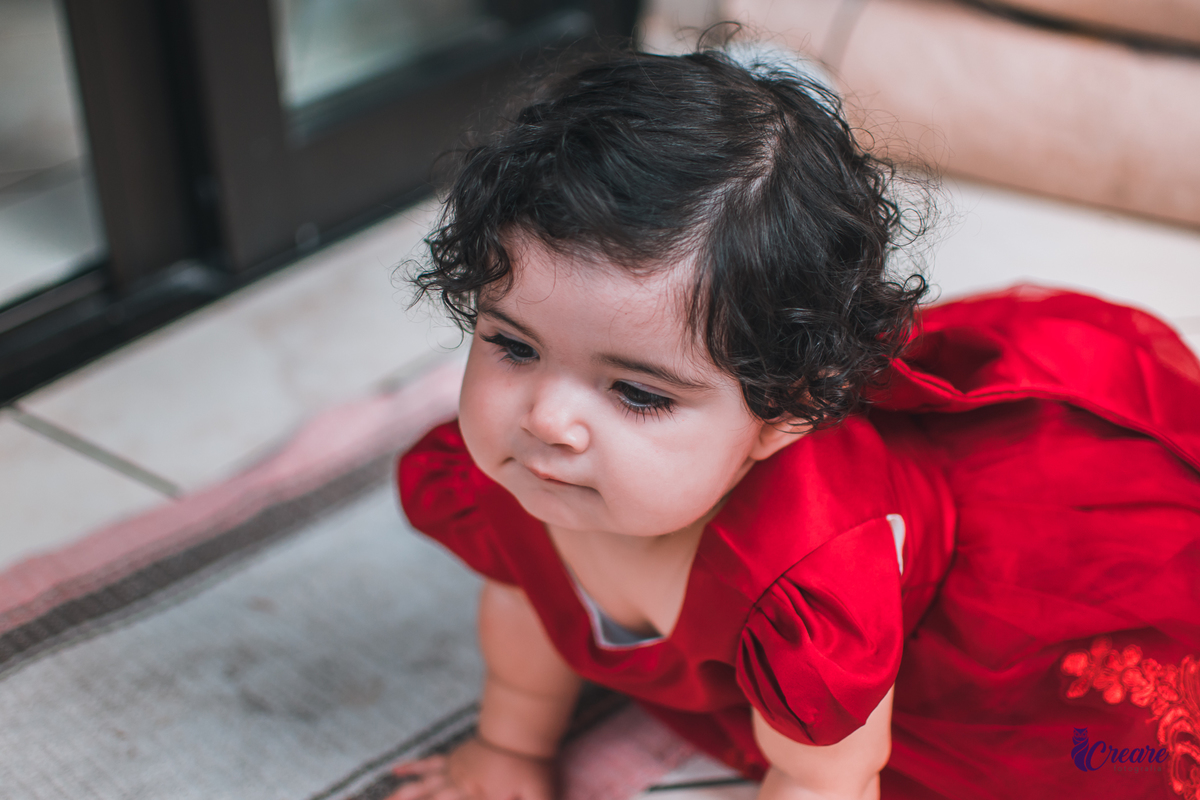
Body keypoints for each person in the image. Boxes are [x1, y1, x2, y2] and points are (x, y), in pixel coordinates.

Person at [389, 42, 1200, 800]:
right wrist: (509, 748)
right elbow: (526, 598)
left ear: (781, 416)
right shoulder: (525, 468)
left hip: (948, 618)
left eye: (637, 393)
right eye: (514, 346)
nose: (548, 418)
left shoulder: (808, 583)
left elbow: (824, 778)